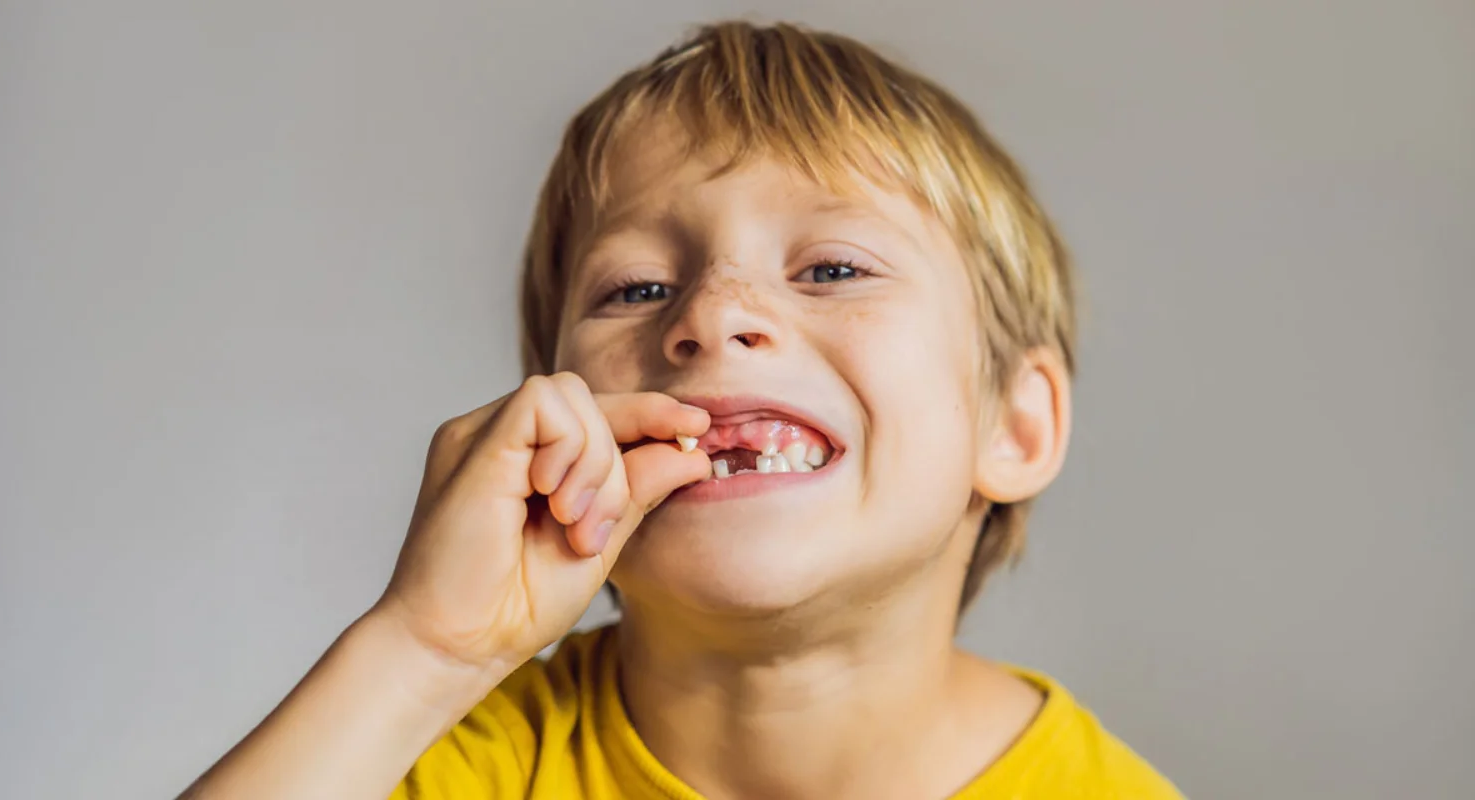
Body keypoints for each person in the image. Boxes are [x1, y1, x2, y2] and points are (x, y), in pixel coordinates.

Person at [184, 20, 1184, 800]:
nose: (711, 315)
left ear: (1015, 425)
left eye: (831, 267)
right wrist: (425, 649)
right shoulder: (456, 753)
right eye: (634, 288)